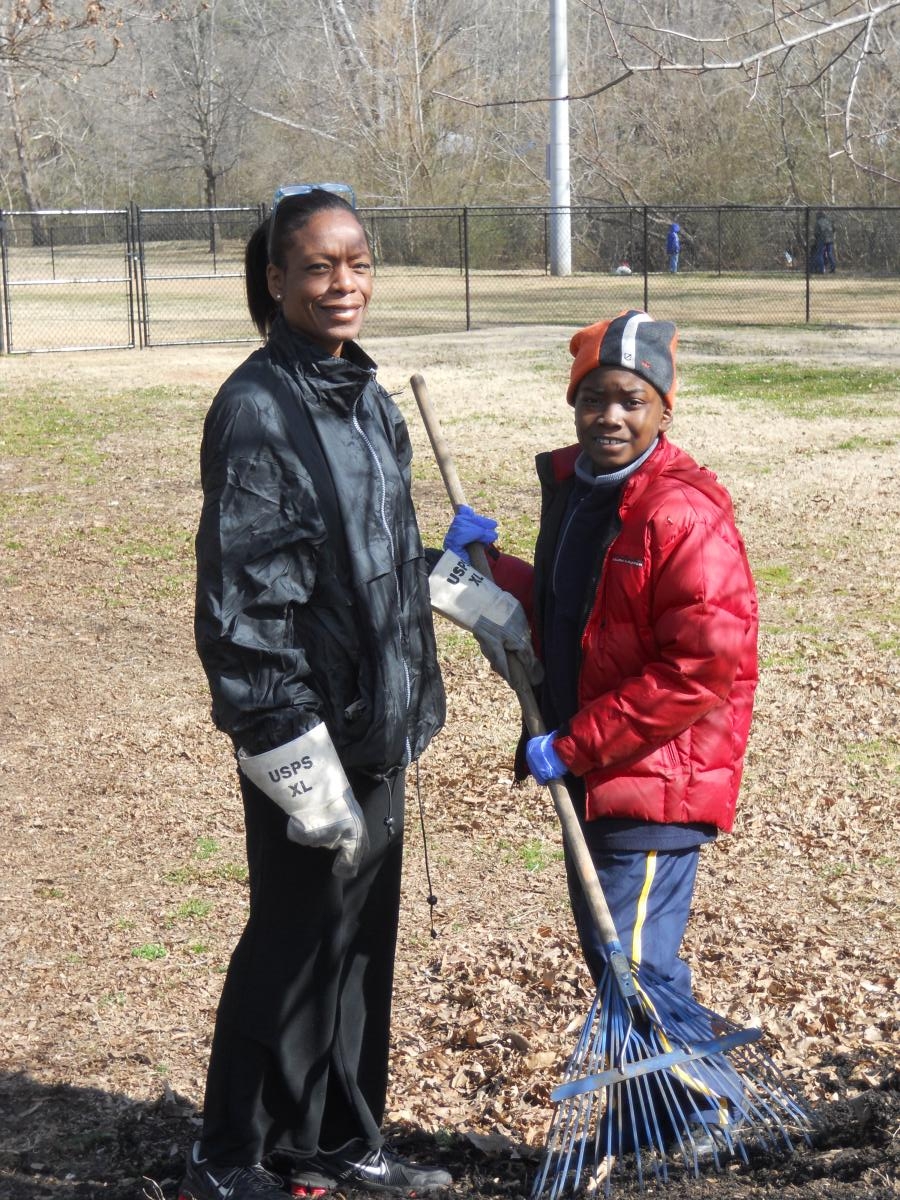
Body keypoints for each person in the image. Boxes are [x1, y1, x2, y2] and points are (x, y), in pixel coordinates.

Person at [181, 186, 451, 1200]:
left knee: (356, 951)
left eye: (358, 263)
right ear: (276, 279)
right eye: (318, 266)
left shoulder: (365, 396)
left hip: (376, 725)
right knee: (292, 948)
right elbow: (244, 609)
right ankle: (229, 1156)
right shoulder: (261, 410)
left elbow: (364, 559)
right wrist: (299, 766)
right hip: (310, 739)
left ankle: (335, 1141)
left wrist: (448, 577)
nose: (345, 284)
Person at [446, 309, 759, 1154]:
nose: (610, 417)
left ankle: (711, 1108)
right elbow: (568, 615)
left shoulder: (678, 514)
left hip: (655, 777)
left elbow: (701, 669)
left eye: (630, 400)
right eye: (593, 399)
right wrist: (490, 567)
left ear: (663, 409)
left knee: (636, 963)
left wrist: (576, 745)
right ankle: (651, 1113)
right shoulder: (584, 492)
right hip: (599, 773)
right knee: (612, 952)